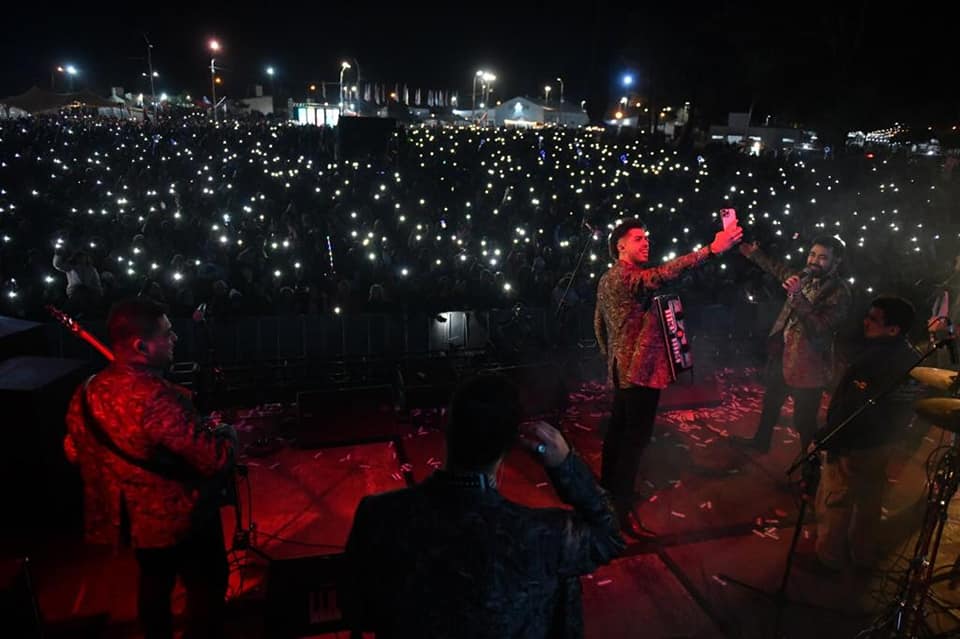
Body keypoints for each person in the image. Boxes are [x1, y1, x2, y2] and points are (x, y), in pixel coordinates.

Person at [342, 374, 625, 638]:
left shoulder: (378, 516)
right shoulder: (545, 537)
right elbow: (610, 536)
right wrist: (565, 465)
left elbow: (358, 612)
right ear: (509, 446)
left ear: (447, 427)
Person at [63, 298, 235, 639]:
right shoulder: (155, 398)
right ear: (141, 346)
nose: (175, 339)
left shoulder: (87, 391)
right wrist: (228, 434)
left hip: (132, 520)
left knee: (154, 586)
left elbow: (73, 451)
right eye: (167, 333)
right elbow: (214, 458)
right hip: (180, 518)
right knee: (206, 589)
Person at [593, 218, 743, 539]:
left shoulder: (606, 278)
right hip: (639, 372)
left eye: (646, 237)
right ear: (620, 246)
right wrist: (711, 250)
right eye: (637, 238)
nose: (646, 242)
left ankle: (606, 493)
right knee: (633, 442)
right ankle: (618, 510)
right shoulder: (627, 276)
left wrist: (612, 358)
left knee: (618, 435)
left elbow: (598, 325)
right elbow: (663, 274)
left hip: (622, 370)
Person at [811, 296, 922, 570]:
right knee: (869, 500)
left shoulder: (873, 360)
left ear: (893, 329)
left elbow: (852, 408)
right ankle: (862, 553)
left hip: (854, 444)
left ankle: (829, 557)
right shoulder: (913, 359)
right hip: (883, 443)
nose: (866, 322)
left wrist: (827, 437)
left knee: (837, 499)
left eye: (874, 319)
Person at [735, 236, 852, 452]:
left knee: (804, 420)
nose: (814, 261)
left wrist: (797, 295)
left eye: (823, 257)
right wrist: (754, 254)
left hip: (810, 366)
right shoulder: (805, 276)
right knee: (771, 403)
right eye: (812, 254)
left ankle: (811, 462)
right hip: (783, 355)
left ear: (836, 262)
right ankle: (761, 443)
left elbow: (820, 327)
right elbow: (778, 270)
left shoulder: (840, 292)